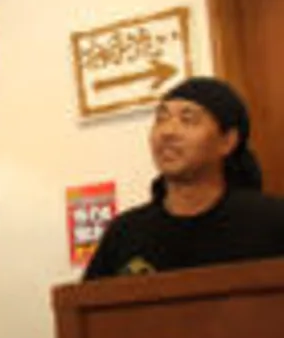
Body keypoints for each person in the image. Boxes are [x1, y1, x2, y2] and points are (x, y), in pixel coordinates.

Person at [84, 77, 284, 280]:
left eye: (188, 120)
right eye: (161, 119)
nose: (168, 132)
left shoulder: (272, 222)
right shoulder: (125, 232)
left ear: (227, 141)